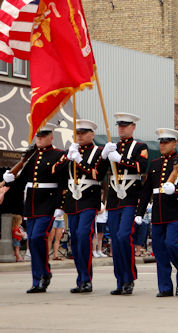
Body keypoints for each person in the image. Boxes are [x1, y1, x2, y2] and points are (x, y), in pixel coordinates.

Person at [2, 123, 67, 293]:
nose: (39, 139)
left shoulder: (59, 155)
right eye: (37, 136)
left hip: (48, 203)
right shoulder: (32, 156)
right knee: (32, 240)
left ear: (51, 136)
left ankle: (43, 273)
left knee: (38, 237)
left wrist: (60, 205)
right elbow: (22, 180)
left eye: (43, 136)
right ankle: (38, 278)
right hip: (31, 204)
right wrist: (9, 179)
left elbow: (62, 183)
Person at [136, 128, 178, 297]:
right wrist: (139, 212)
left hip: (175, 211)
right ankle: (165, 287)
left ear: (175, 143)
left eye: (166, 142)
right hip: (158, 213)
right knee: (159, 250)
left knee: (171, 244)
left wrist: (176, 189)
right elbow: (147, 191)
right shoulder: (154, 164)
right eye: (161, 142)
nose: (162, 145)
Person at [103, 113, 149, 295]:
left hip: (130, 197)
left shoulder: (140, 146)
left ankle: (129, 278)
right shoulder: (114, 146)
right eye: (119, 125)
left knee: (123, 236)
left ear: (133, 127)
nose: (121, 128)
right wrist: (105, 155)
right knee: (115, 239)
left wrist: (120, 159)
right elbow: (99, 172)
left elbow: (141, 167)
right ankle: (120, 279)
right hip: (114, 198)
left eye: (125, 125)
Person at [63, 119, 109, 293]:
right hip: (72, 200)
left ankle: (86, 279)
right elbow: (61, 178)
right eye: (78, 133)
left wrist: (79, 160)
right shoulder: (71, 151)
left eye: (83, 133)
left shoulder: (99, 152)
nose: (80, 136)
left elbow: (97, 174)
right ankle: (81, 278)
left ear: (92, 134)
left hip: (89, 199)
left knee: (83, 235)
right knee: (74, 239)